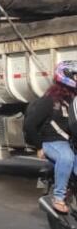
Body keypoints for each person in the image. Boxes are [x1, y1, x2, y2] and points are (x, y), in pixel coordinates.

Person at [25, 60, 77, 213]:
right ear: (65, 76)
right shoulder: (49, 100)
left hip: (68, 142)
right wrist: (39, 146)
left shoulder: (72, 100)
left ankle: (70, 191)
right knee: (66, 157)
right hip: (51, 141)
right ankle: (58, 197)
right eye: (75, 76)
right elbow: (30, 124)